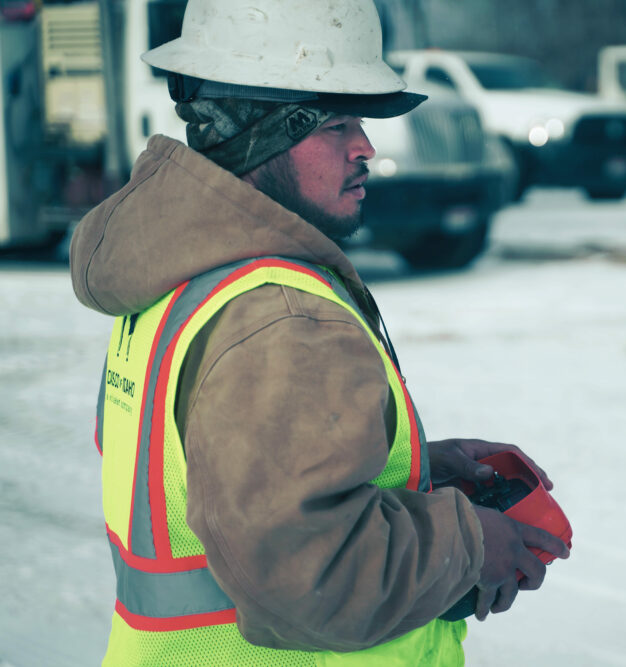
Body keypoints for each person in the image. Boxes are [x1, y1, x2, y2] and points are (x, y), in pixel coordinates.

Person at [69, 1, 568, 664]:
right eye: (337, 124)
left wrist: (408, 462)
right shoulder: (281, 316)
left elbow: (223, 477)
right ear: (260, 134)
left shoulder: (178, 275)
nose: (365, 146)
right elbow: (308, 573)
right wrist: (468, 543)